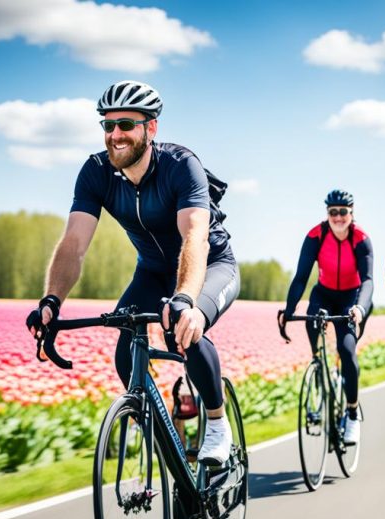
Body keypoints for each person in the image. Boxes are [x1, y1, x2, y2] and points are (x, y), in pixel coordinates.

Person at [26, 80, 240, 465]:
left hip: (210, 266)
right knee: (126, 355)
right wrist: (51, 301)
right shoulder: (95, 173)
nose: (115, 135)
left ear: (150, 128)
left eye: (126, 124)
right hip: (153, 271)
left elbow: (195, 237)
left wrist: (187, 300)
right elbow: (74, 243)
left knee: (186, 331)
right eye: (107, 126)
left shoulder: (180, 165)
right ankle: (165, 441)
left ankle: (217, 424)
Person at [278, 190, 374, 445]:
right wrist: (288, 311)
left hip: (351, 298)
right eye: (333, 212)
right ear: (327, 214)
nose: (338, 217)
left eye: (343, 212)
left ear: (352, 213)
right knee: (313, 326)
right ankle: (320, 369)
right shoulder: (315, 236)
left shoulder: (361, 239)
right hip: (323, 293)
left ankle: (352, 412)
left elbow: (367, 281)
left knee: (346, 349)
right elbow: (300, 278)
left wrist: (360, 310)